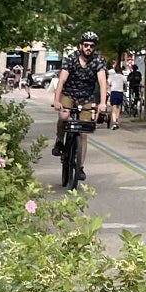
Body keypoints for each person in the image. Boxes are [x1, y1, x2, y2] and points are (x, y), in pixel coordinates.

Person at [51, 31, 107, 181]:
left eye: (92, 46)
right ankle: (59, 141)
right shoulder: (70, 58)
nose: (89, 48)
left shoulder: (98, 60)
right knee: (64, 116)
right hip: (69, 94)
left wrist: (103, 103)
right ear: (80, 45)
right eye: (86, 45)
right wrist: (57, 100)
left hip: (86, 97)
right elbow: (61, 81)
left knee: (83, 131)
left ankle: (80, 167)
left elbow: (102, 82)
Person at [107, 60, 127, 129]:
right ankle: (117, 120)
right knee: (118, 107)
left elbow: (108, 83)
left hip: (114, 92)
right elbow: (126, 82)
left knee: (113, 108)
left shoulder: (112, 76)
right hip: (120, 93)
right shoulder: (122, 77)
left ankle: (114, 122)